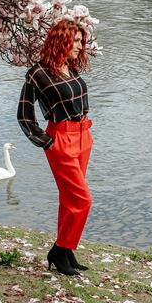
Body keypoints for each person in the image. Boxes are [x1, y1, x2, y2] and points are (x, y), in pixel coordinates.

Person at [17, 19, 93, 276]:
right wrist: (46, 141)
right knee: (83, 199)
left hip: (83, 137)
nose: (80, 46)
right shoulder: (38, 74)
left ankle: (66, 251)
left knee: (70, 199)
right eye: (76, 41)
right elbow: (24, 116)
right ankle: (60, 250)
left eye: (81, 41)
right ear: (62, 41)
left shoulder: (70, 68)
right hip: (61, 139)